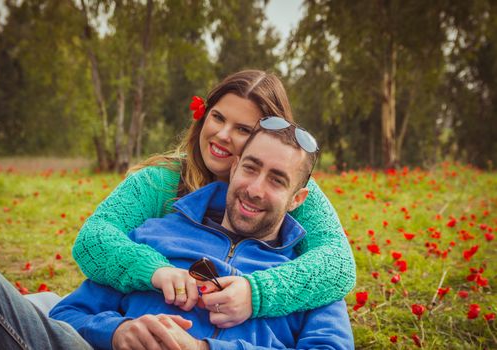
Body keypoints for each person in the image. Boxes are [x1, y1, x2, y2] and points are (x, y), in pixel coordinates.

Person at [72, 69, 356, 328]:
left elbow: (338, 263)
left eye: (243, 129)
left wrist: (255, 293)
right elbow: (94, 238)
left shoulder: (285, 191)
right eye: (218, 117)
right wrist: (154, 269)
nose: (222, 135)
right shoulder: (161, 180)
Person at [50, 125, 354, 349]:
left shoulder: (309, 279)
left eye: (277, 180)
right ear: (234, 167)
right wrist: (117, 333)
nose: (254, 189)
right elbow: (64, 316)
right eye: (250, 168)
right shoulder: (156, 235)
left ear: (297, 199)